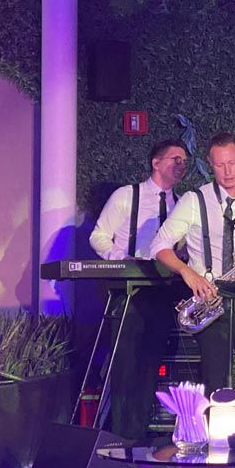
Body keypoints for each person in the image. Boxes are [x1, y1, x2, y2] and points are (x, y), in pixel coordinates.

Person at [150, 132, 235, 432]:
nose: (227, 171)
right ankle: (214, 449)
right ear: (210, 164)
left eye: (232, 163)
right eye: (220, 165)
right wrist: (187, 272)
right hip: (210, 301)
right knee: (215, 382)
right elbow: (159, 246)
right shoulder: (194, 201)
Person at [89, 139, 189, 440]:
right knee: (125, 363)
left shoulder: (181, 204)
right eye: (175, 159)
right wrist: (121, 259)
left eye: (184, 160)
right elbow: (98, 236)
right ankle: (119, 436)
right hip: (129, 288)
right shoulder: (126, 196)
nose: (181, 165)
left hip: (161, 290)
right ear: (156, 163)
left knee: (150, 363)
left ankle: (138, 435)